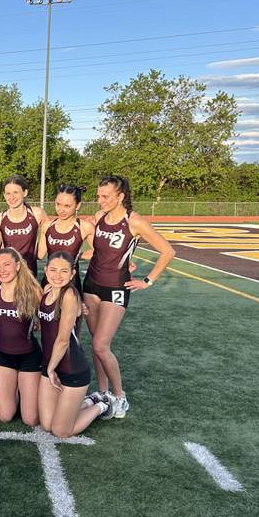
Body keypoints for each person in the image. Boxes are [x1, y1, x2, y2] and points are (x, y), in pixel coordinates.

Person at [83, 175, 175, 418]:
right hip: (90, 284)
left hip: (116, 287)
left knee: (101, 345)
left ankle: (120, 396)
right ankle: (103, 393)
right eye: (98, 195)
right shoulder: (99, 218)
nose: (99, 200)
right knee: (95, 343)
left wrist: (147, 281)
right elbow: (98, 248)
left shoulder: (134, 222)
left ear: (120, 196)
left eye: (105, 196)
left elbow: (168, 251)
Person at [37, 252, 114, 438]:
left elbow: (63, 340)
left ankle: (102, 405)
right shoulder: (46, 290)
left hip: (71, 369)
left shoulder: (70, 295)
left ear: (72, 274)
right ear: (46, 270)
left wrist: (50, 370)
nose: (57, 275)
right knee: (46, 424)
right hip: (50, 365)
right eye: (53, 270)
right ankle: (90, 400)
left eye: (64, 271)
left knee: (60, 430)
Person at [0, 247, 42, 425]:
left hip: (28, 357)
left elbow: (49, 317)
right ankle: (9, 390)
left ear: (18, 266)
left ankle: (22, 389)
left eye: (7, 265)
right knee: (5, 416)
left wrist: (76, 308)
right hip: (3, 357)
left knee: (31, 419)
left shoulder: (33, 291)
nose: (2, 270)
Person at [37, 183, 94, 294]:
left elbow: (101, 253)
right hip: (49, 281)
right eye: (58, 204)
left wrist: (80, 255)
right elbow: (40, 255)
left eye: (67, 206)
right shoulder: (47, 226)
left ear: (77, 206)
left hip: (72, 283)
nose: (61, 210)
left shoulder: (85, 227)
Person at [0, 175, 47, 277]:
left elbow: (47, 237)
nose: (11, 197)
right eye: (8, 193)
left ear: (25, 192)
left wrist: (38, 253)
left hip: (29, 275)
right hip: (7, 276)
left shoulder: (37, 213)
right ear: (4, 195)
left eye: (16, 192)